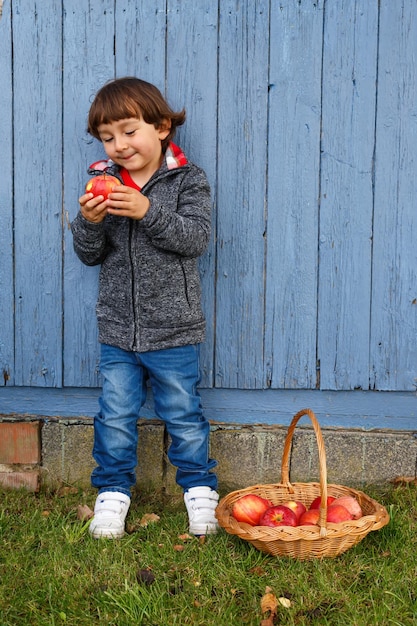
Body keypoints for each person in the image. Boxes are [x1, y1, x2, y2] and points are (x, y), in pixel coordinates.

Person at [71, 77, 218, 539]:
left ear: (160, 126)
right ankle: (112, 494)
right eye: (108, 137)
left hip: (173, 329)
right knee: (114, 415)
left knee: (184, 415)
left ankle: (199, 495)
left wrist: (146, 209)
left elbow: (195, 239)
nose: (119, 145)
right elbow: (88, 253)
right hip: (117, 329)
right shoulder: (104, 181)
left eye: (129, 131)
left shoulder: (187, 180)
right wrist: (89, 223)